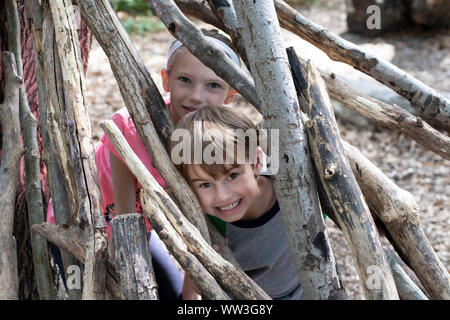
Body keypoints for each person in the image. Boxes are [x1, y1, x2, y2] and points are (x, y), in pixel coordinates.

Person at [46, 29, 240, 300]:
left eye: (213, 85)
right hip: (82, 227)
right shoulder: (133, 129)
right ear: (166, 80)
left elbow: (209, 225)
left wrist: (190, 294)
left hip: (142, 229)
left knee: (172, 295)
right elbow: (125, 221)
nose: (197, 96)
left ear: (231, 95)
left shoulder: (218, 142)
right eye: (185, 80)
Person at [169, 106, 303, 300]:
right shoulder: (210, 223)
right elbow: (194, 287)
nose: (223, 196)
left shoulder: (292, 196)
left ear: (257, 161)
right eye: (205, 184)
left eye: (232, 175)